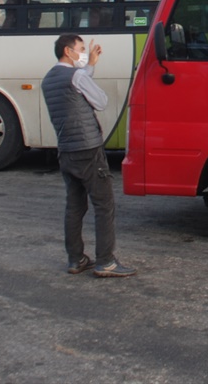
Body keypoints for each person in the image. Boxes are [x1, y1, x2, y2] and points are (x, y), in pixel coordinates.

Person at [42, 34, 135, 278]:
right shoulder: (76, 75)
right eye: (81, 49)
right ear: (68, 51)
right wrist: (88, 68)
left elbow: (79, 81)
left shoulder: (49, 79)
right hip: (88, 148)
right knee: (104, 204)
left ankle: (76, 259)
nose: (84, 52)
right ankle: (106, 261)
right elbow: (101, 101)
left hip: (66, 150)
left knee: (74, 207)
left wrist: (89, 65)